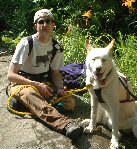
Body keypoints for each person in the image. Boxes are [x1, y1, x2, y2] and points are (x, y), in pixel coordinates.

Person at [7, 9, 83, 140]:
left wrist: (59, 88)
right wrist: (35, 84)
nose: (44, 24)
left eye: (48, 21)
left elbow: (55, 72)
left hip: (44, 83)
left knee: (70, 103)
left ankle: (31, 104)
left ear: (53, 24)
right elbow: (11, 75)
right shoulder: (26, 43)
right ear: (35, 26)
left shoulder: (57, 47)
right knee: (29, 94)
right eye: (40, 21)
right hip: (22, 82)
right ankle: (65, 124)